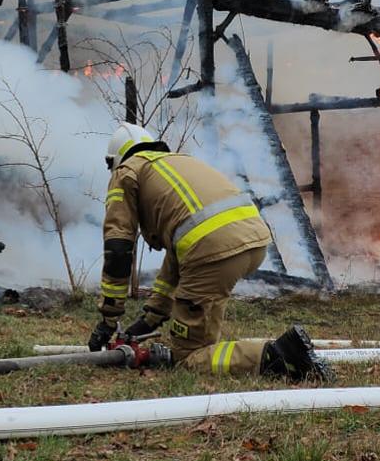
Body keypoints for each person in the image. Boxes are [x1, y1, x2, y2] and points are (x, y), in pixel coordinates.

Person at [85, 122, 328, 381]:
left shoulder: (125, 173)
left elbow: (118, 251)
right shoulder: (176, 162)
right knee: (202, 336)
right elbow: (180, 254)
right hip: (253, 241)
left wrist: (108, 319)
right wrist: (151, 317)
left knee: (188, 356)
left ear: (116, 160)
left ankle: (279, 356)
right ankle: (286, 354)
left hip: (212, 252)